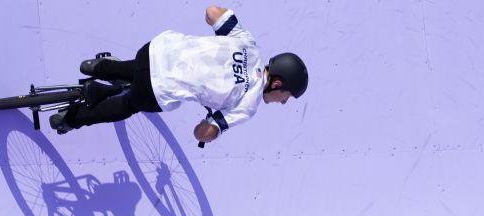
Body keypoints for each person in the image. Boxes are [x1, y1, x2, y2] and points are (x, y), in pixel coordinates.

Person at [50, 6, 308, 144]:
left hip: (155, 49)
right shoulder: (248, 105)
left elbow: (212, 12)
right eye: (287, 96)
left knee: (137, 66)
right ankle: (71, 119)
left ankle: (96, 67)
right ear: (277, 83)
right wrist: (208, 128)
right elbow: (202, 133)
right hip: (156, 89)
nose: (284, 101)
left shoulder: (248, 44)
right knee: (128, 104)